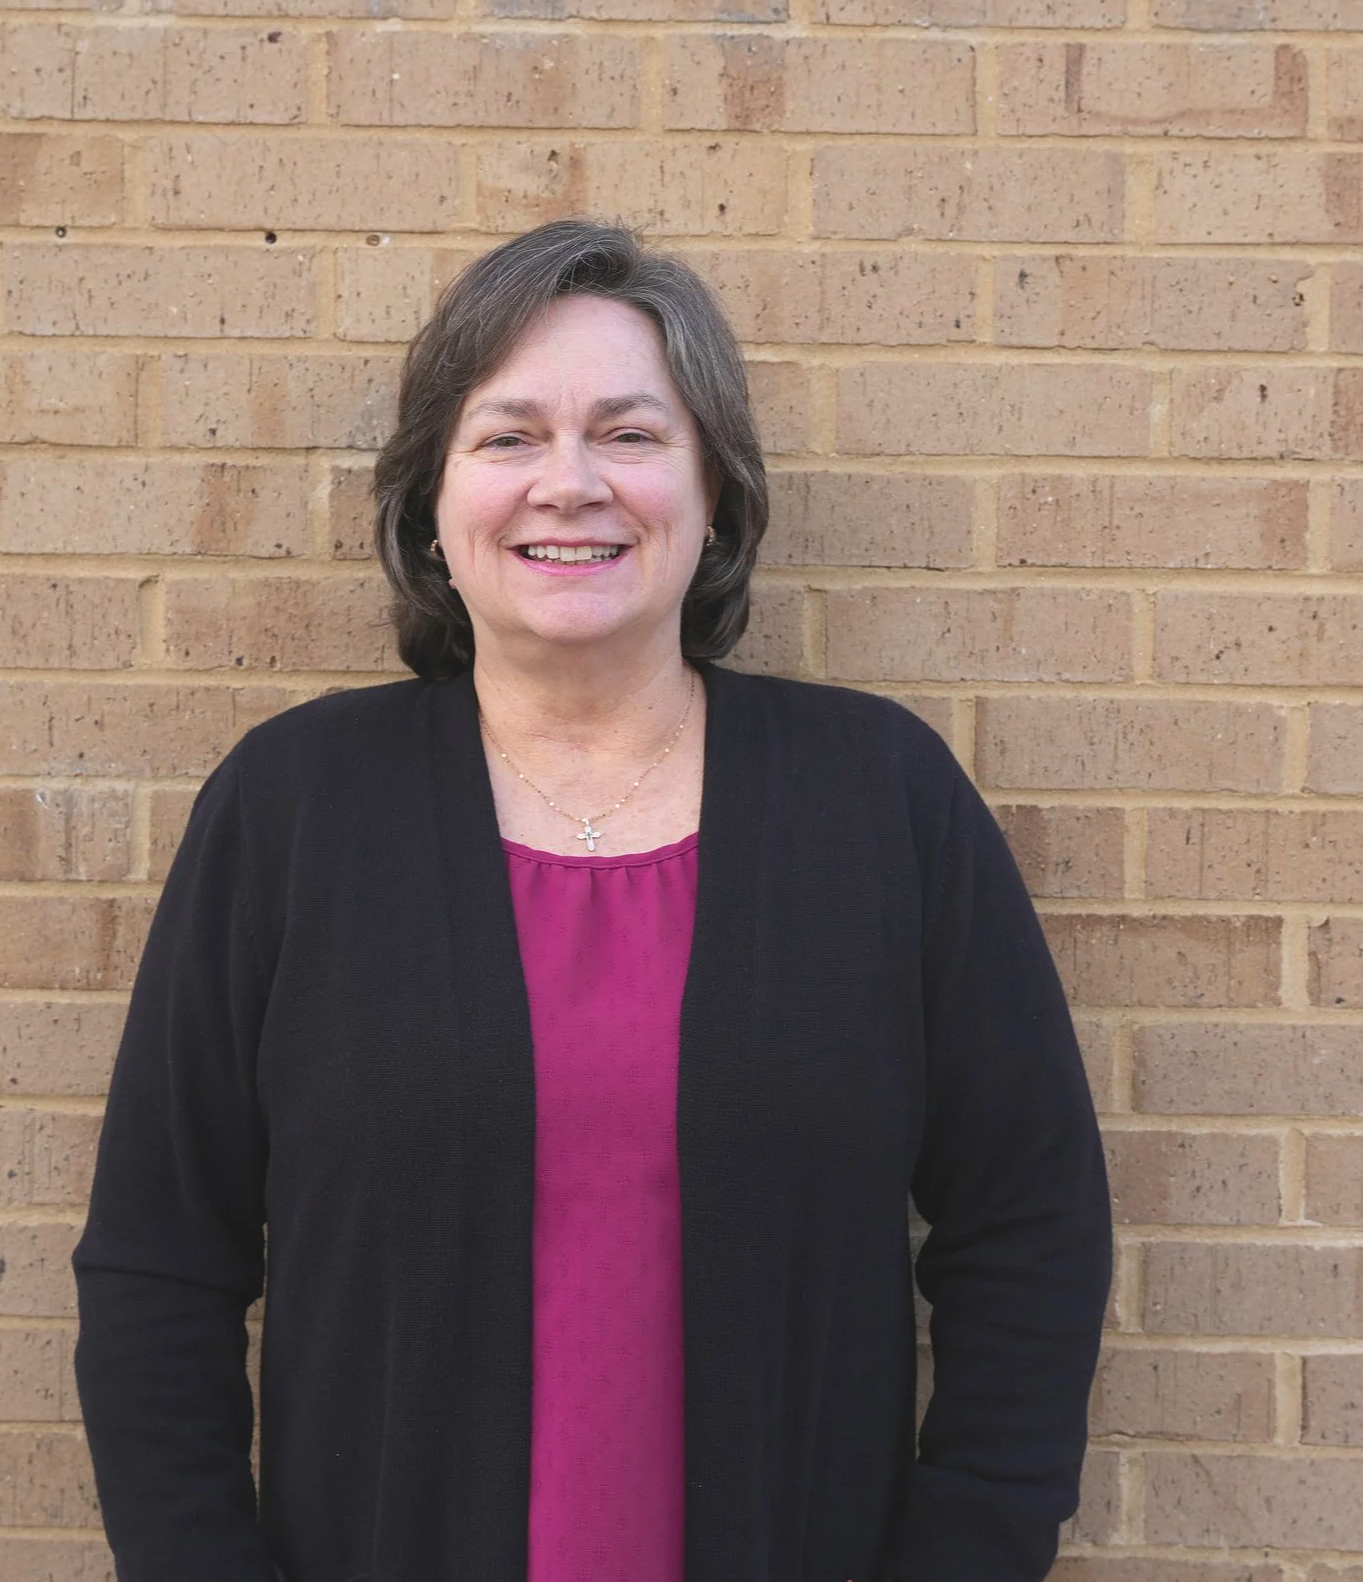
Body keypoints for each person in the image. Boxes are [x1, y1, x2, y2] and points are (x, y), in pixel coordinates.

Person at [73, 218, 1112, 1582]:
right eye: (506, 439)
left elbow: (1028, 1224)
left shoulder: (880, 801)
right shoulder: (295, 810)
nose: (567, 484)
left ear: (715, 494)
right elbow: (161, 1260)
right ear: (431, 506)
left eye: (628, 434)